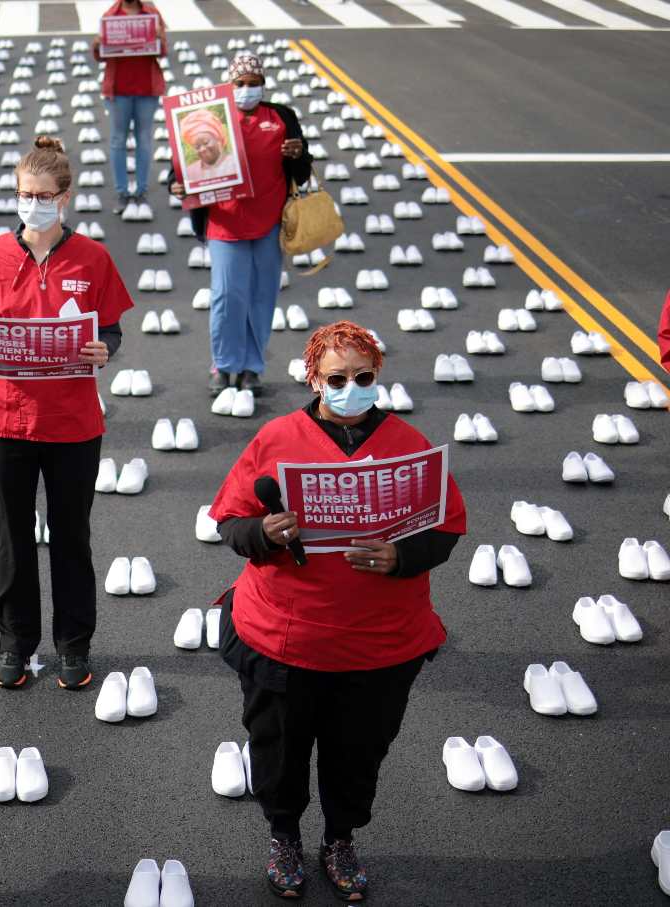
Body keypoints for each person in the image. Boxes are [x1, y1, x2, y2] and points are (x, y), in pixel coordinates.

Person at [208, 321, 466, 902]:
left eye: (364, 377)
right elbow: (230, 520)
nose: (351, 387)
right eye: (337, 378)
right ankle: (283, 835)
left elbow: (447, 527)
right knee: (278, 744)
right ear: (314, 379)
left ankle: (341, 838)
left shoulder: (410, 443)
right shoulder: (276, 438)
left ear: (379, 377)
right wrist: (263, 532)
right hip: (286, 636)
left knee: (359, 749)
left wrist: (402, 555)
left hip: (379, 643)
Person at [0, 136, 134, 691]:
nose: (32, 203)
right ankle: (15, 642)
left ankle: (74, 644)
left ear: (65, 196)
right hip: (4, 420)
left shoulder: (93, 257)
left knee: (70, 537)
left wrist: (106, 347)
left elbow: (112, 329)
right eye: (23, 193)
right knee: (10, 538)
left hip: (73, 424)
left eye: (43, 194)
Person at [173, 52, 311, 397]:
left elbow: (303, 172)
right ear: (228, 86)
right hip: (225, 222)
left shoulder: (281, 116)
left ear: (263, 85)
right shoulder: (211, 118)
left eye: (254, 84)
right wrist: (177, 185)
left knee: (262, 296)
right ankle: (223, 364)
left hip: (269, 221)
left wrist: (298, 154)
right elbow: (182, 168)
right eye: (241, 84)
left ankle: (251, 367)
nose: (248, 90)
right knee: (226, 296)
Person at [91, 0, 168, 215]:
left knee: (144, 140)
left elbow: (163, 52)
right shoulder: (110, 15)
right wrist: (97, 45)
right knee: (118, 140)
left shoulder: (151, 13)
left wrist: (161, 39)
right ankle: (123, 192)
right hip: (118, 89)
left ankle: (141, 191)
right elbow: (101, 55)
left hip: (146, 89)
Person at [177, 107, 240, 184]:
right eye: (197, 147)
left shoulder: (237, 164)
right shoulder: (190, 172)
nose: (202, 149)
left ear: (218, 139)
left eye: (206, 142)